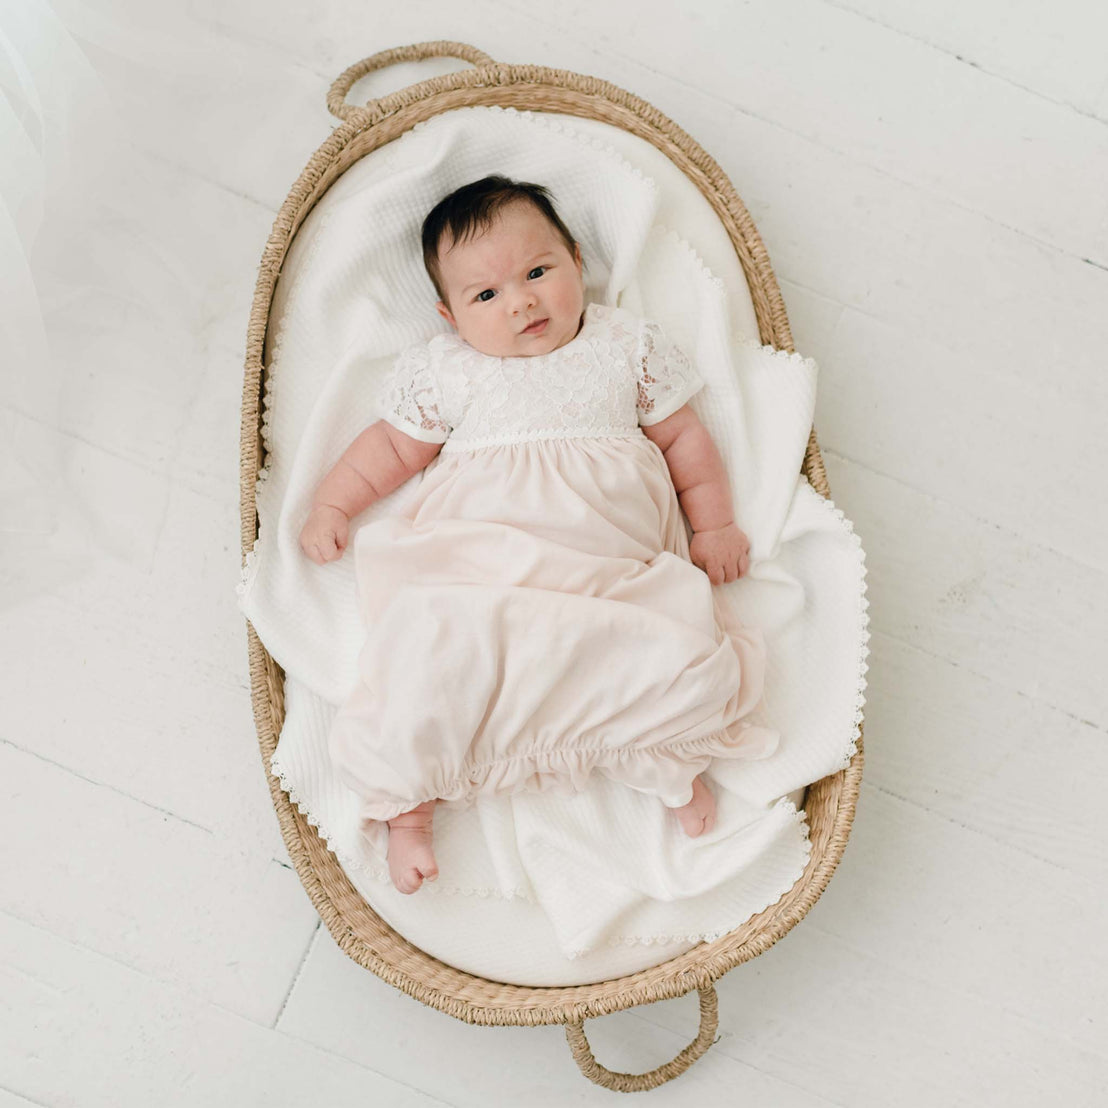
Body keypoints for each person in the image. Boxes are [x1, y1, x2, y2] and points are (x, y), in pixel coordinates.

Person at [298, 175, 777, 895]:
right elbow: (389, 451)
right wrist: (333, 506)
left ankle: (672, 761)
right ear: (449, 315)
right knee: (428, 655)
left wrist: (714, 525)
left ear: (577, 262)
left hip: (605, 565)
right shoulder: (448, 372)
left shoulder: (624, 344)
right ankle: (410, 812)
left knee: (667, 639)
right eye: (485, 296)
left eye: (537, 272)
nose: (519, 300)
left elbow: (685, 441)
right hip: (481, 569)